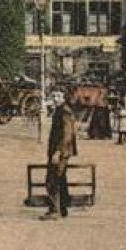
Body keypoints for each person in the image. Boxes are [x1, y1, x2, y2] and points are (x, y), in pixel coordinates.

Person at [42, 90, 77, 220]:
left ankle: (54, 210)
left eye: (58, 96)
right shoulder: (59, 110)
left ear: (64, 97)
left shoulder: (65, 111)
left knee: (52, 180)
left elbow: (67, 135)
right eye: (54, 96)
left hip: (61, 152)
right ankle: (62, 209)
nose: (55, 98)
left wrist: (58, 152)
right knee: (60, 179)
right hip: (59, 151)